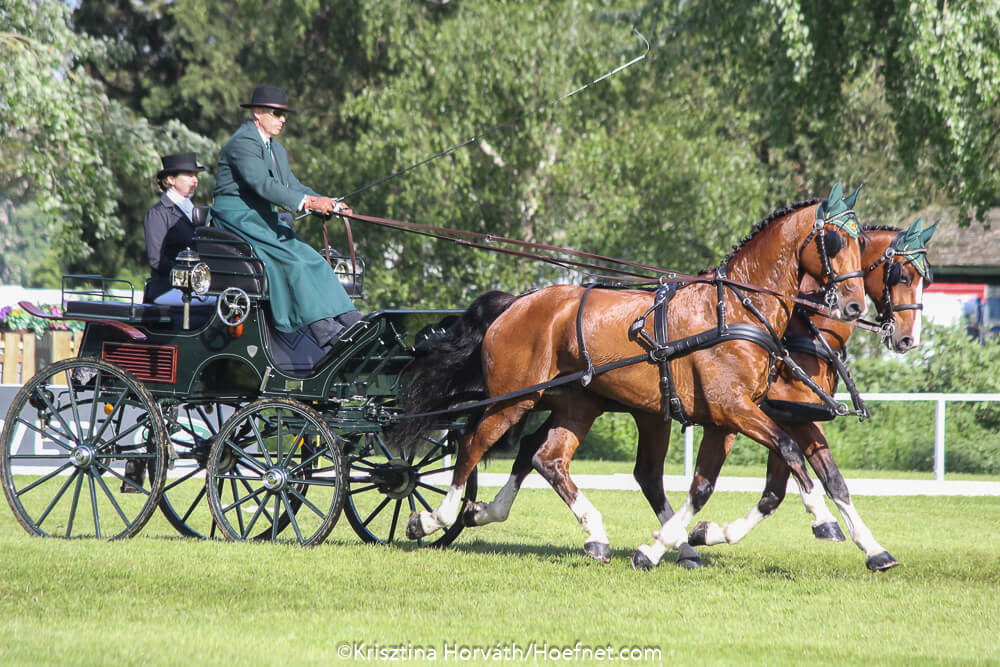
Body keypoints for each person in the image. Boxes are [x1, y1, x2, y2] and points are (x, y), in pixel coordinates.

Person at [212, 84, 362, 348]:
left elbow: (292, 185)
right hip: (237, 218)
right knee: (294, 263)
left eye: (284, 115)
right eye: (276, 113)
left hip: (262, 218)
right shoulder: (243, 142)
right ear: (257, 113)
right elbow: (263, 185)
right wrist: (309, 203)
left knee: (314, 260)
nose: (282, 119)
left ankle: (353, 321)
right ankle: (326, 330)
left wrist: (330, 203)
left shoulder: (276, 149)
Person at [143, 152, 213, 305]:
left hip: (196, 286)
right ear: (171, 180)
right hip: (168, 288)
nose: (195, 179)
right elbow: (156, 260)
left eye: (196, 175)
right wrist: (191, 275)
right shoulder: (158, 213)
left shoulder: (194, 210)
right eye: (189, 175)